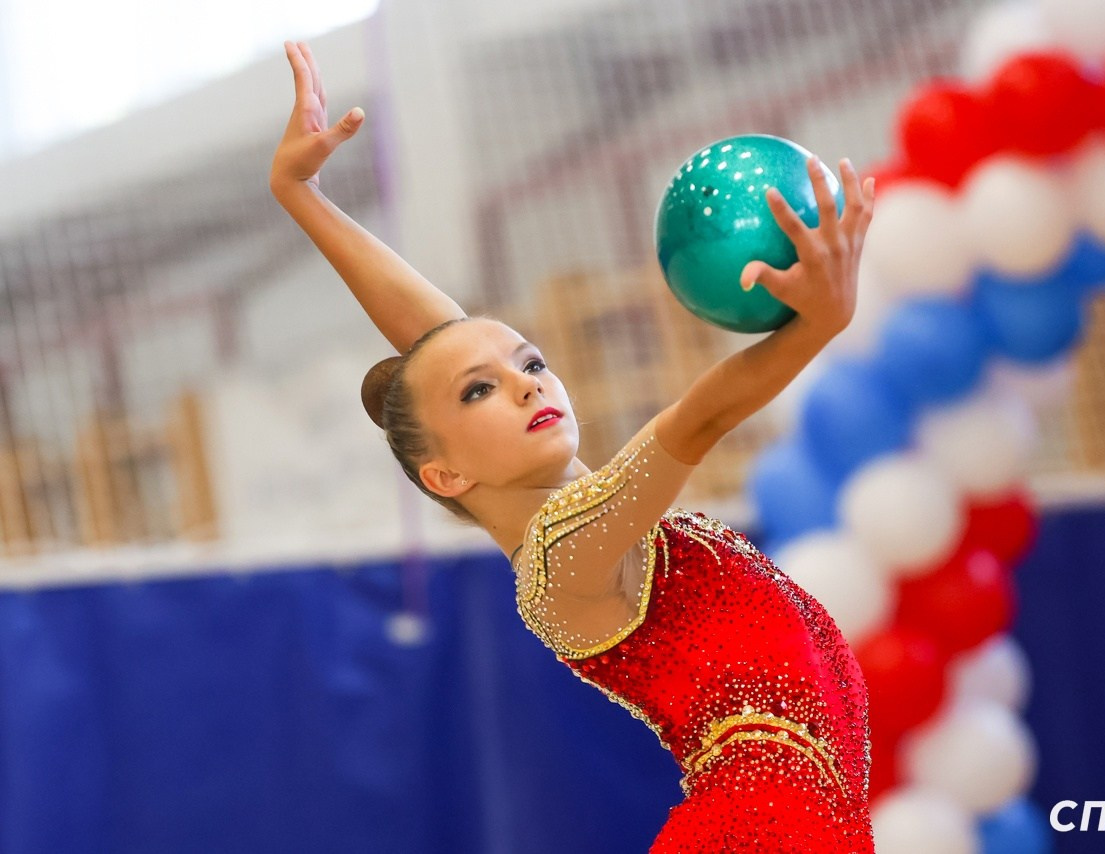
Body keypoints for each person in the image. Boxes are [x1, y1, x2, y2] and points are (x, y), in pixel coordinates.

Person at [271, 40, 877, 853]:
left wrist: (300, 193)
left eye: (531, 364)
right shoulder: (563, 561)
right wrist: (818, 327)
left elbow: (441, 340)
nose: (528, 386)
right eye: (480, 392)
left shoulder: (578, 505)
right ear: (444, 474)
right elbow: (693, 423)